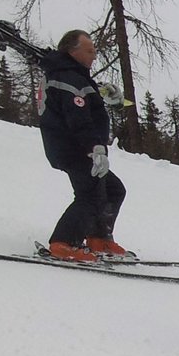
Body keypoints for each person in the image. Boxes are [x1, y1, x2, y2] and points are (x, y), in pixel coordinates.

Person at [39, 30, 129, 262]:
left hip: (79, 147)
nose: (94, 56)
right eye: (89, 51)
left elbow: (88, 103)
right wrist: (95, 148)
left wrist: (107, 96)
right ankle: (63, 243)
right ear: (73, 51)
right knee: (90, 194)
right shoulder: (68, 78)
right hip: (74, 147)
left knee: (112, 190)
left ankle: (98, 238)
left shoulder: (73, 76)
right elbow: (78, 118)